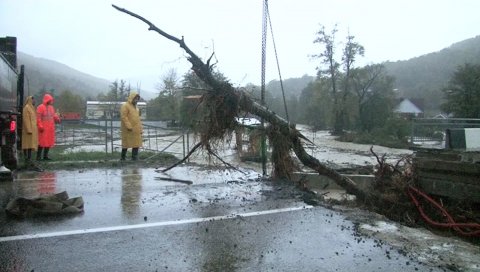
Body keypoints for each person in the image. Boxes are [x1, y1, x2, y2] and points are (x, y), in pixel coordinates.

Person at [36, 93, 60, 161]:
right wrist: (40, 126)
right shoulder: (40, 107)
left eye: (51, 100)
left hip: (50, 128)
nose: (51, 101)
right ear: (47, 100)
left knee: (48, 142)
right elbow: (38, 118)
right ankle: (38, 157)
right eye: (50, 100)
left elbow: (53, 116)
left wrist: (57, 118)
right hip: (43, 128)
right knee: (41, 142)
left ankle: (45, 156)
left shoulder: (51, 107)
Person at [120, 91, 143, 161]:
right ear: (131, 98)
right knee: (126, 143)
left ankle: (134, 157)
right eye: (135, 99)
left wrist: (140, 128)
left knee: (136, 143)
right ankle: (123, 158)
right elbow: (124, 117)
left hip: (136, 129)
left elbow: (138, 119)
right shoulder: (125, 106)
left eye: (137, 99)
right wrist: (128, 126)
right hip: (128, 129)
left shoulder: (136, 107)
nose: (136, 100)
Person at [21, 96, 42, 171]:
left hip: (33, 129)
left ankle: (29, 158)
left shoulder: (32, 108)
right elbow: (26, 120)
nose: (34, 101)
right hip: (28, 130)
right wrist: (29, 129)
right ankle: (26, 158)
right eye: (33, 100)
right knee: (26, 145)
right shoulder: (26, 108)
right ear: (30, 100)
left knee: (30, 145)